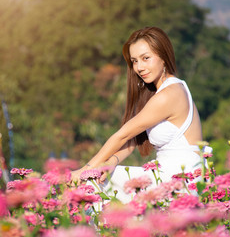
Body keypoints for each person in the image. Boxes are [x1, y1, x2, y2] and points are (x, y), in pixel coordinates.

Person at [71, 27, 204, 203]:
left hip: (181, 180)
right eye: (134, 61)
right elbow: (134, 140)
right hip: (170, 176)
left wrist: (85, 170)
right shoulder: (168, 89)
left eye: (146, 58)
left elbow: (123, 135)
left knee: (91, 182)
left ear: (163, 57)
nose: (139, 67)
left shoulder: (169, 95)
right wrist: (111, 162)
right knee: (100, 179)